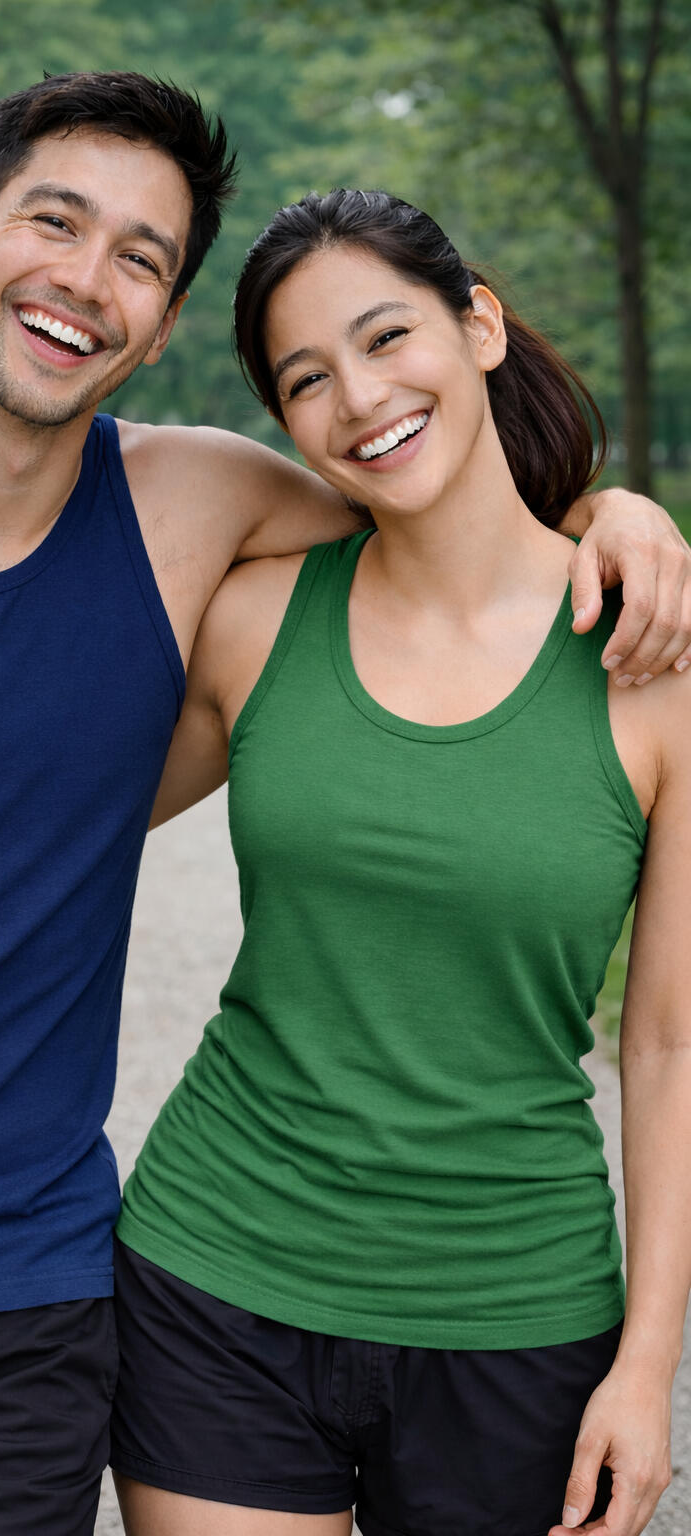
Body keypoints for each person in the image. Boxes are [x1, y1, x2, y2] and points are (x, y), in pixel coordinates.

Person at [0, 78, 688, 1533]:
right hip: (50, 1275)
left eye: (142, 260)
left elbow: (438, 507)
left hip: (303, 1308)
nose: (359, 401)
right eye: (303, 380)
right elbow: (8, 803)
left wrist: (619, 513)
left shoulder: (624, 656)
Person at [106, 190, 691, 1536]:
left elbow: (665, 1044)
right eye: (306, 379)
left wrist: (648, 1366)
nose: (359, 398)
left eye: (387, 338)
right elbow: (41, 828)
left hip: (517, 1321)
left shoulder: (651, 667)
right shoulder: (255, 627)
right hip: (217, 1288)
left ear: (477, 323)